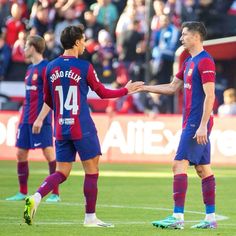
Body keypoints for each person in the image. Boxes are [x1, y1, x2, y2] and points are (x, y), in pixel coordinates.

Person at [23, 25, 143, 227]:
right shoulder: (84, 67)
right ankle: (90, 218)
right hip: (82, 126)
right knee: (92, 170)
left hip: (60, 127)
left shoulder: (50, 67)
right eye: (84, 40)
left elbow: (49, 100)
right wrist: (125, 90)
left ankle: (36, 197)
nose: (86, 44)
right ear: (77, 42)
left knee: (61, 172)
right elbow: (103, 93)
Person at [139, 21, 217, 229]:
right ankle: (210, 219)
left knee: (178, 164)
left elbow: (211, 96)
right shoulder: (189, 62)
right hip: (191, 121)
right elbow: (173, 87)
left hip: (196, 122)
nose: (181, 38)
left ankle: (177, 218)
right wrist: (145, 88)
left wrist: (202, 125)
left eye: (184, 35)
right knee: (202, 169)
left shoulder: (205, 61)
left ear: (196, 36)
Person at [6, 35, 60, 202]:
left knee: (48, 153)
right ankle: (22, 192)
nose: (23, 49)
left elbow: (51, 97)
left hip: (41, 119)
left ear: (34, 47)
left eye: (26, 46)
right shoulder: (29, 69)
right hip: (26, 118)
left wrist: (40, 118)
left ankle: (55, 193)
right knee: (21, 153)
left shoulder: (46, 68)